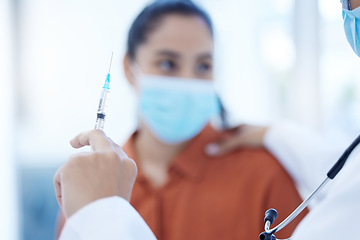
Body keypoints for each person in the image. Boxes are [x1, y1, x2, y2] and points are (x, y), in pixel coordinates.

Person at [55, 1, 306, 239]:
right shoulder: (93, 186)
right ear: (129, 69)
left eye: (203, 66)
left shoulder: (263, 176)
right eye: (167, 63)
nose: (187, 80)